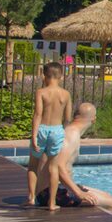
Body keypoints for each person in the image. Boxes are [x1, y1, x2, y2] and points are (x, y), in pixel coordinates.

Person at [34, 104, 112, 211]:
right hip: (49, 193)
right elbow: (58, 166)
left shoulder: (69, 130)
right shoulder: (71, 134)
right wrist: (79, 193)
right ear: (94, 119)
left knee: (107, 196)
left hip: (55, 189)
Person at [29, 61, 73, 206]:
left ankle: (31, 198)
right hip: (56, 130)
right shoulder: (66, 94)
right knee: (53, 168)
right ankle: (52, 203)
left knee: (33, 166)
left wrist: (34, 135)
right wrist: (62, 132)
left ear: (44, 76)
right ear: (61, 76)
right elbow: (67, 118)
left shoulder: (41, 92)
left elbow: (38, 115)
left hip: (42, 129)